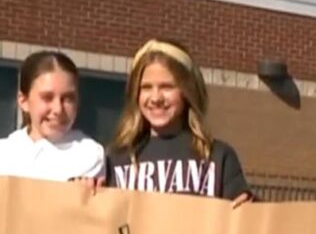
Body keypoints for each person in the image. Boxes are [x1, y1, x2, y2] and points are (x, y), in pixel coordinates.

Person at [103, 39, 251, 205]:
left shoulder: (218, 157)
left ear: (187, 92)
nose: (156, 98)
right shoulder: (114, 159)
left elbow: (244, 222)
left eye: (167, 87)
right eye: (146, 87)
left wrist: (250, 210)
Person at [0, 51, 103, 181]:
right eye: (47, 97)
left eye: (68, 98)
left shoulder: (89, 155)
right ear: (24, 101)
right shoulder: (4, 154)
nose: (58, 109)